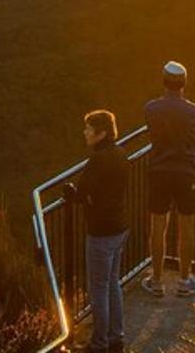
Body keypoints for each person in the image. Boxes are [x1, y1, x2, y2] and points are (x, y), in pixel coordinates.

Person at [141, 60, 195, 297]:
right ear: (184, 84)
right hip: (186, 172)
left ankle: (156, 280)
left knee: (158, 225)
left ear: (164, 82)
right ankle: (185, 280)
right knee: (186, 226)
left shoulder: (151, 109)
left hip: (159, 170)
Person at [76, 109, 131, 353]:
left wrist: (76, 195)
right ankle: (115, 337)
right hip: (120, 226)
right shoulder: (120, 153)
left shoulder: (98, 160)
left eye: (89, 128)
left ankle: (99, 344)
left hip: (101, 231)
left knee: (98, 288)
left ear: (102, 133)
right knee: (112, 283)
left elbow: (82, 189)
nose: (85, 132)